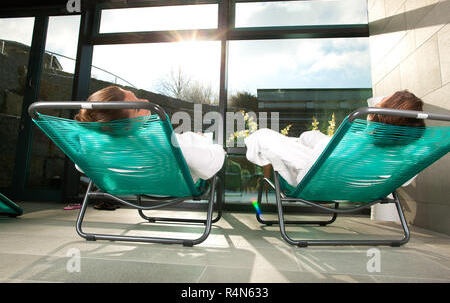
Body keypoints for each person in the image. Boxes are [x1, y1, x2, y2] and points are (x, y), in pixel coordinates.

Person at [74, 86, 226, 210]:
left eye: (135, 97)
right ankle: (201, 138)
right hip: (174, 187)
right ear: (125, 127)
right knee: (194, 144)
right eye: (137, 108)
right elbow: (209, 164)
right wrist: (217, 148)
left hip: (138, 187)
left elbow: (80, 166)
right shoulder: (162, 143)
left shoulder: (93, 153)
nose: (144, 101)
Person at [244, 90, 425, 187]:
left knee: (263, 135)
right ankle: (300, 142)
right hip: (354, 183)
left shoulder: (355, 142)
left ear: (379, 114)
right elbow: (406, 181)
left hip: (319, 178)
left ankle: (295, 143)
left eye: (379, 105)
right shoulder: (405, 157)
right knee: (309, 137)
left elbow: (314, 166)